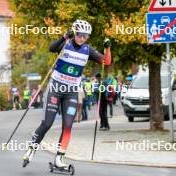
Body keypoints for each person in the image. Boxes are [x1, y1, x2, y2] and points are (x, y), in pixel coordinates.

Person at [22, 19, 111, 168]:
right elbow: (51, 48)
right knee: (47, 123)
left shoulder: (88, 50)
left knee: (68, 126)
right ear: (74, 32)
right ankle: (31, 149)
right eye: (80, 34)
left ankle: (59, 158)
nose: (83, 38)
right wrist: (64, 37)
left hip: (71, 92)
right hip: (56, 88)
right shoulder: (66, 44)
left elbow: (106, 62)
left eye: (86, 36)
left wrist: (108, 49)